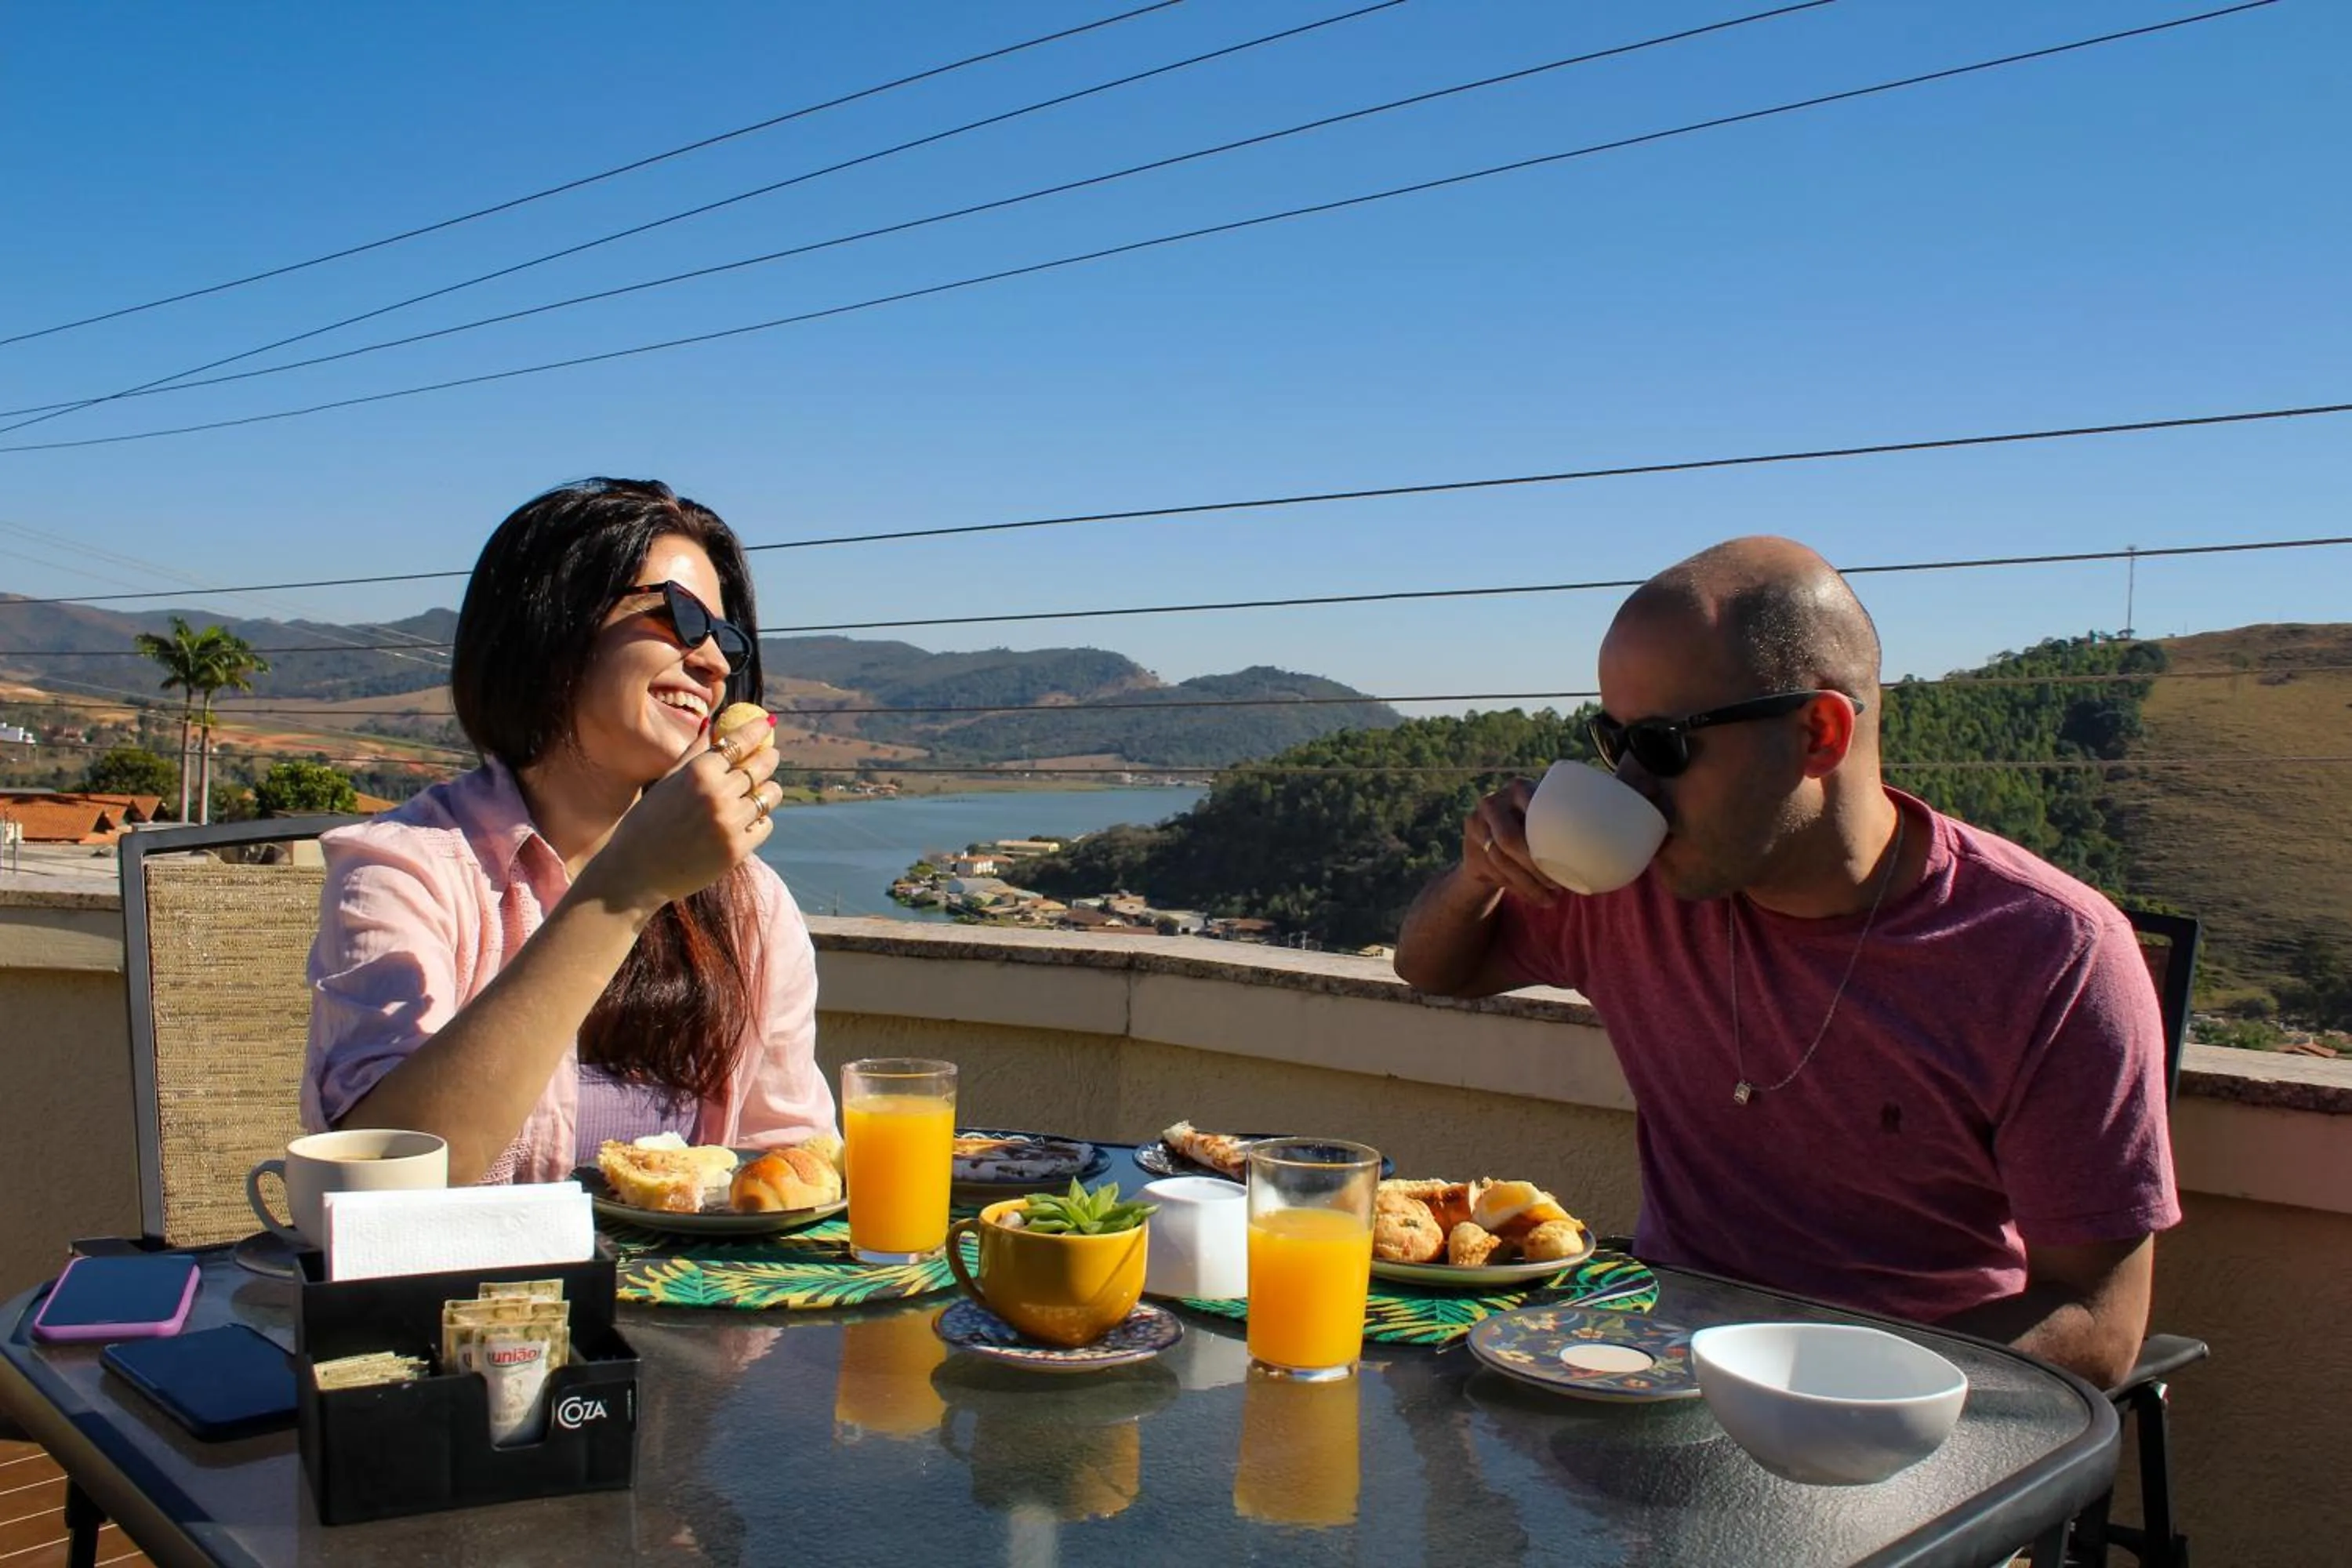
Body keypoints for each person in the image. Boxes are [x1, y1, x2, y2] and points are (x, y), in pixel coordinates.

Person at [1393, 536, 2177, 1387]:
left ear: (1818, 731)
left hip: (1899, 1420)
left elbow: (2097, 1320)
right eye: (1610, 737)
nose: (1627, 782)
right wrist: (1476, 875)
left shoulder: (2049, 954)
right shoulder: (1635, 886)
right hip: (1645, 1372)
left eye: (1660, 745)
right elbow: (1435, 966)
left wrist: (1820, 1396)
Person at [302, 477, 834, 1185]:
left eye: (725, 638)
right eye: (678, 615)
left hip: (674, 1295)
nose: (712, 663)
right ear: (551, 625)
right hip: (466, 1296)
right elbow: (385, 1176)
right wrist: (622, 892)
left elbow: (787, 1159)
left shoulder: (751, 907)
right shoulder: (408, 871)